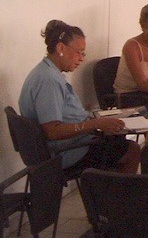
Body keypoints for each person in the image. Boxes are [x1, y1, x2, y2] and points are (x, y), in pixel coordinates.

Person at [19, 20, 140, 173]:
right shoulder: (48, 81)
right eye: (79, 52)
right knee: (132, 150)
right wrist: (94, 124)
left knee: (116, 138)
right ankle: (109, 188)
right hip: (65, 151)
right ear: (61, 48)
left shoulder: (46, 71)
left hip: (69, 144)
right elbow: (52, 131)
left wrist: (95, 121)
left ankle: (103, 186)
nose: (82, 58)